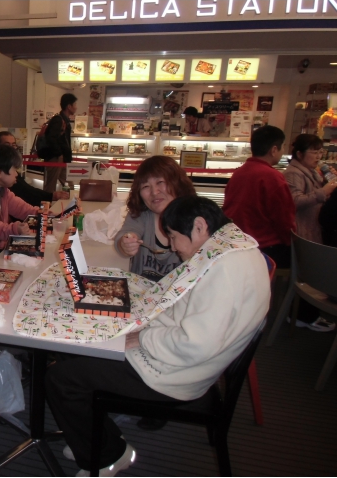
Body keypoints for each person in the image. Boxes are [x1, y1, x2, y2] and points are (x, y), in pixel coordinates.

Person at [45, 196, 270, 476]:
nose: (173, 247)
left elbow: (195, 345)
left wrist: (142, 337)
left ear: (200, 227)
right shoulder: (230, 247)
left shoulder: (225, 269)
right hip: (179, 355)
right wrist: (142, 323)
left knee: (60, 379)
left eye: (173, 237)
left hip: (176, 372)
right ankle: (100, 438)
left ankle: (108, 457)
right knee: (76, 346)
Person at [282, 134, 337, 331]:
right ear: (299, 154)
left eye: (320, 152)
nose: (318, 156)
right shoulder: (294, 173)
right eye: (314, 152)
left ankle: (303, 314)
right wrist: (325, 190)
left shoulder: (310, 171)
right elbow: (295, 201)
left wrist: (326, 182)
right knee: (310, 273)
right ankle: (303, 316)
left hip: (311, 229)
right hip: (304, 230)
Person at [223, 125, 296, 269]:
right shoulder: (273, 177)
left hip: (236, 243)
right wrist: (291, 241)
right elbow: (284, 219)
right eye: (282, 147)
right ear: (274, 150)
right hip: (266, 247)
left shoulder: (239, 173)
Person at [114, 155, 197, 282]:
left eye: (160, 182)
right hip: (141, 291)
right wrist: (125, 244)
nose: (154, 192)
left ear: (177, 183)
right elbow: (123, 236)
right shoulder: (141, 215)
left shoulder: (196, 220)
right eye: (145, 186)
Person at [0, 131, 69, 206]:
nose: (11, 148)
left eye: (13, 145)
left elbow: (25, 191)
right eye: (7, 145)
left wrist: (50, 197)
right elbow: (24, 192)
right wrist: (51, 196)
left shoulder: (9, 167)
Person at [38, 93, 77, 193]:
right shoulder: (58, 120)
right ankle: (47, 202)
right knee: (50, 186)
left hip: (62, 158)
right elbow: (51, 138)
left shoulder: (64, 120)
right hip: (56, 158)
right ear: (69, 106)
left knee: (69, 185)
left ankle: (70, 201)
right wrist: (59, 154)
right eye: (75, 104)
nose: (76, 107)